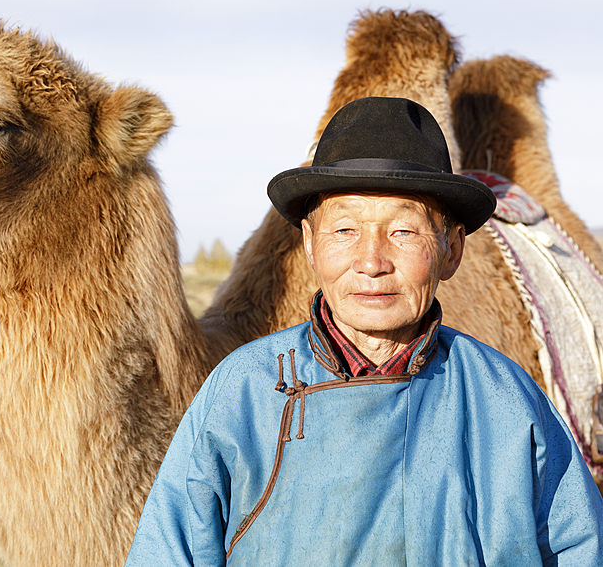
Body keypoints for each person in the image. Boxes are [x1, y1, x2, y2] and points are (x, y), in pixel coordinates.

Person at [123, 97, 603, 566]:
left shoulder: (507, 401)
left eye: (403, 232)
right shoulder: (241, 393)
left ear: (451, 250)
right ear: (310, 245)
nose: (371, 262)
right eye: (345, 231)